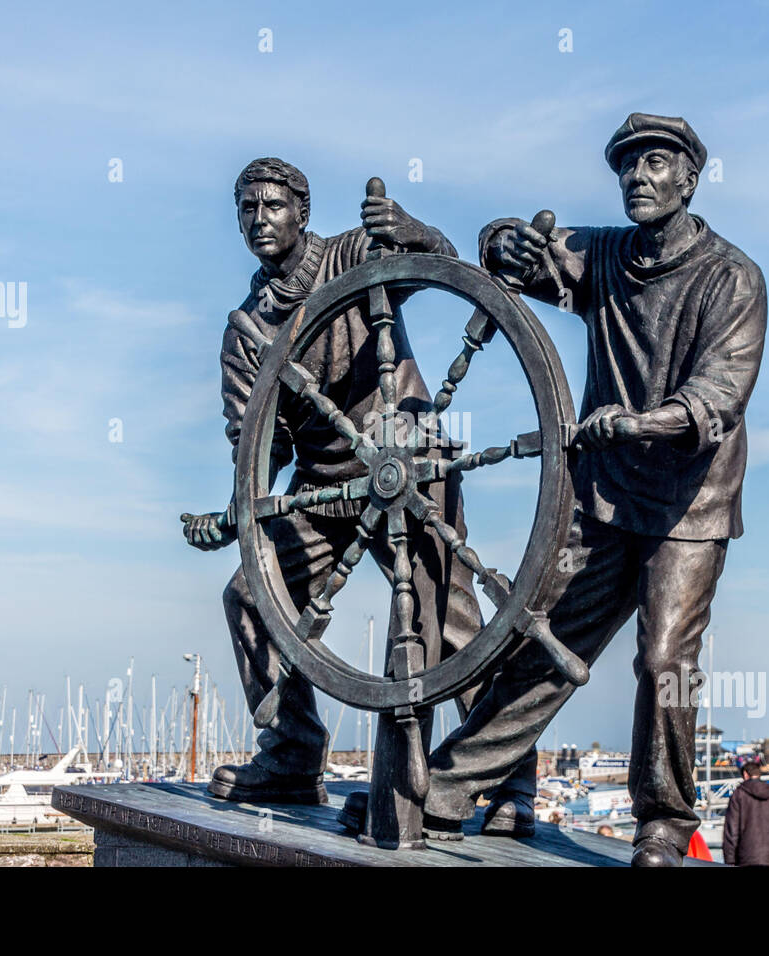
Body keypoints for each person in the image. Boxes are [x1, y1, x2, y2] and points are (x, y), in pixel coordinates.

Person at [419, 112, 767, 867]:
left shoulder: (732, 278)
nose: (637, 178)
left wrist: (644, 423)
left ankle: (665, 823)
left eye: (654, 164)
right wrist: (503, 239)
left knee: (665, 657)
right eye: (626, 167)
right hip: (608, 494)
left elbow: (718, 394)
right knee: (548, 635)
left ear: (690, 178)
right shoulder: (604, 253)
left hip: (690, 505)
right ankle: (454, 783)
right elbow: (518, 257)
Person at [185, 158, 533, 833]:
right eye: (246, 208)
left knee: (453, 623)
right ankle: (291, 753)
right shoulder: (245, 333)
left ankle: (509, 781)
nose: (259, 220)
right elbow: (259, 447)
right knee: (250, 596)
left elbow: (447, 265)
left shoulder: (352, 254)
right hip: (321, 488)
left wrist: (416, 230)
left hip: (408, 467)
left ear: (302, 213)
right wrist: (238, 516)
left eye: (272, 206)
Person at [722, 761, 769, 866]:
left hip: (746, 857)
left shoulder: (739, 795)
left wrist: (729, 860)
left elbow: (731, 830)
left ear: (745, 774)